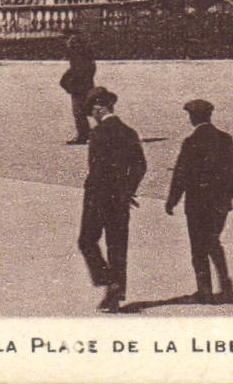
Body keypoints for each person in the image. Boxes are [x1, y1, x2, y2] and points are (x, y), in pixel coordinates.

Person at [77, 87, 146, 312]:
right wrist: (127, 190)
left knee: (87, 241)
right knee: (117, 247)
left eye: (92, 111)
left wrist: (95, 196)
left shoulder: (97, 134)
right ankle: (114, 295)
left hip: (99, 197)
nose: (92, 116)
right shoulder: (129, 132)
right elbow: (140, 166)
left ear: (99, 108)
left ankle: (107, 280)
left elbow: (96, 169)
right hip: (120, 199)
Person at [166, 98, 233, 304]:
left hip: (197, 204)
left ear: (192, 117)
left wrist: (172, 200)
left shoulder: (191, 142)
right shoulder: (225, 139)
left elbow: (181, 174)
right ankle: (225, 283)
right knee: (213, 241)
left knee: (198, 248)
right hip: (220, 204)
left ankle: (205, 290)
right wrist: (228, 196)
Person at [59, 31, 98, 144]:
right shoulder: (84, 53)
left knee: (79, 112)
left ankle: (83, 134)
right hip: (84, 85)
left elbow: (78, 70)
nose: (68, 42)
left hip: (79, 87)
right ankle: (91, 133)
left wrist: (68, 81)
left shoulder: (78, 54)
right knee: (89, 110)